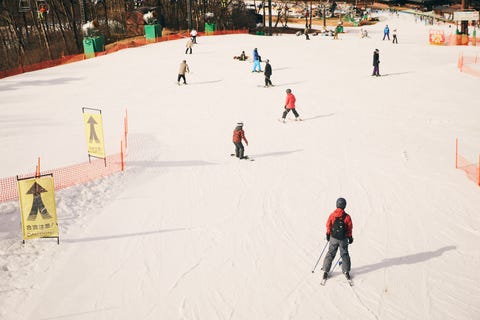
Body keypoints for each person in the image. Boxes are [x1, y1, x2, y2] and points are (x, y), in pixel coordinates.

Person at [321, 198, 353, 281]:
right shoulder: (347, 217)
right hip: (343, 239)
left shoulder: (332, 215)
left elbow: (328, 225)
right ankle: (346, 271)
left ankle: (325, 271)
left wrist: (328, 234)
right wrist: (350, 237)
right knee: (344, 254)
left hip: (333, 238)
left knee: (330, 253)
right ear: (344, 205)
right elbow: (349, 228)